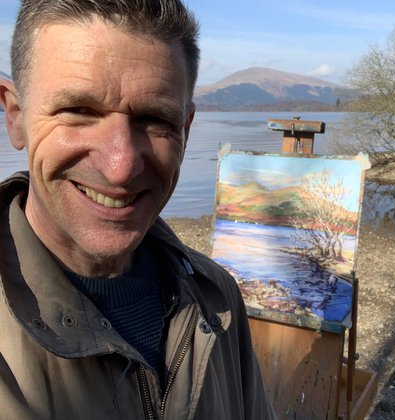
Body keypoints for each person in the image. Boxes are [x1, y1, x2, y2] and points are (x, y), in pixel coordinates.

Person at [0, 0, 275, 418]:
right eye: (79, 111)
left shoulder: (216, 298)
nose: (121, 166)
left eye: (153, 118)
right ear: (15, 116)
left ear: (184, 128)